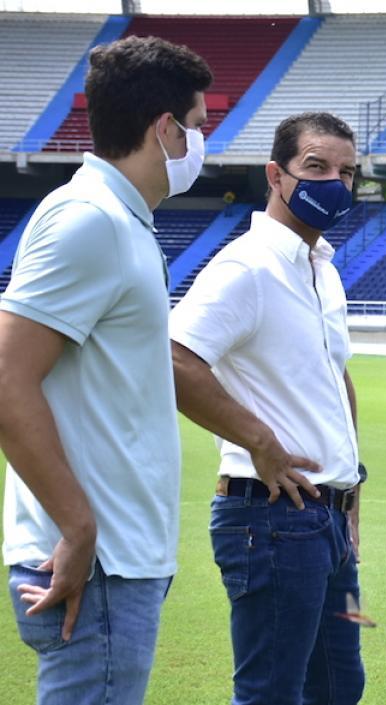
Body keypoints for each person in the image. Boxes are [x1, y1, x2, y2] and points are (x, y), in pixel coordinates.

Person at [0, 36, 210, 705]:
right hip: (98, 564)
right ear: (165, 129)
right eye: (198, 126)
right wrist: (79, 527)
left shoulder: (119, 219)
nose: (201, 144)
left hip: (117, 558)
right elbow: (6, 378)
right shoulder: (91, 219)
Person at [169, 112, 365, 705]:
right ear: (276, 175)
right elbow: (173, 359)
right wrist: (260, 441)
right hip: (273, 519)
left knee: (339, 686)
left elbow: (336, 375)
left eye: (347, 172)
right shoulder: (247, 266)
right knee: (271, 693)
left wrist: (352, 487)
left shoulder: (321, 268)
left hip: (327, 521)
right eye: (317, 166)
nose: (335, 182)